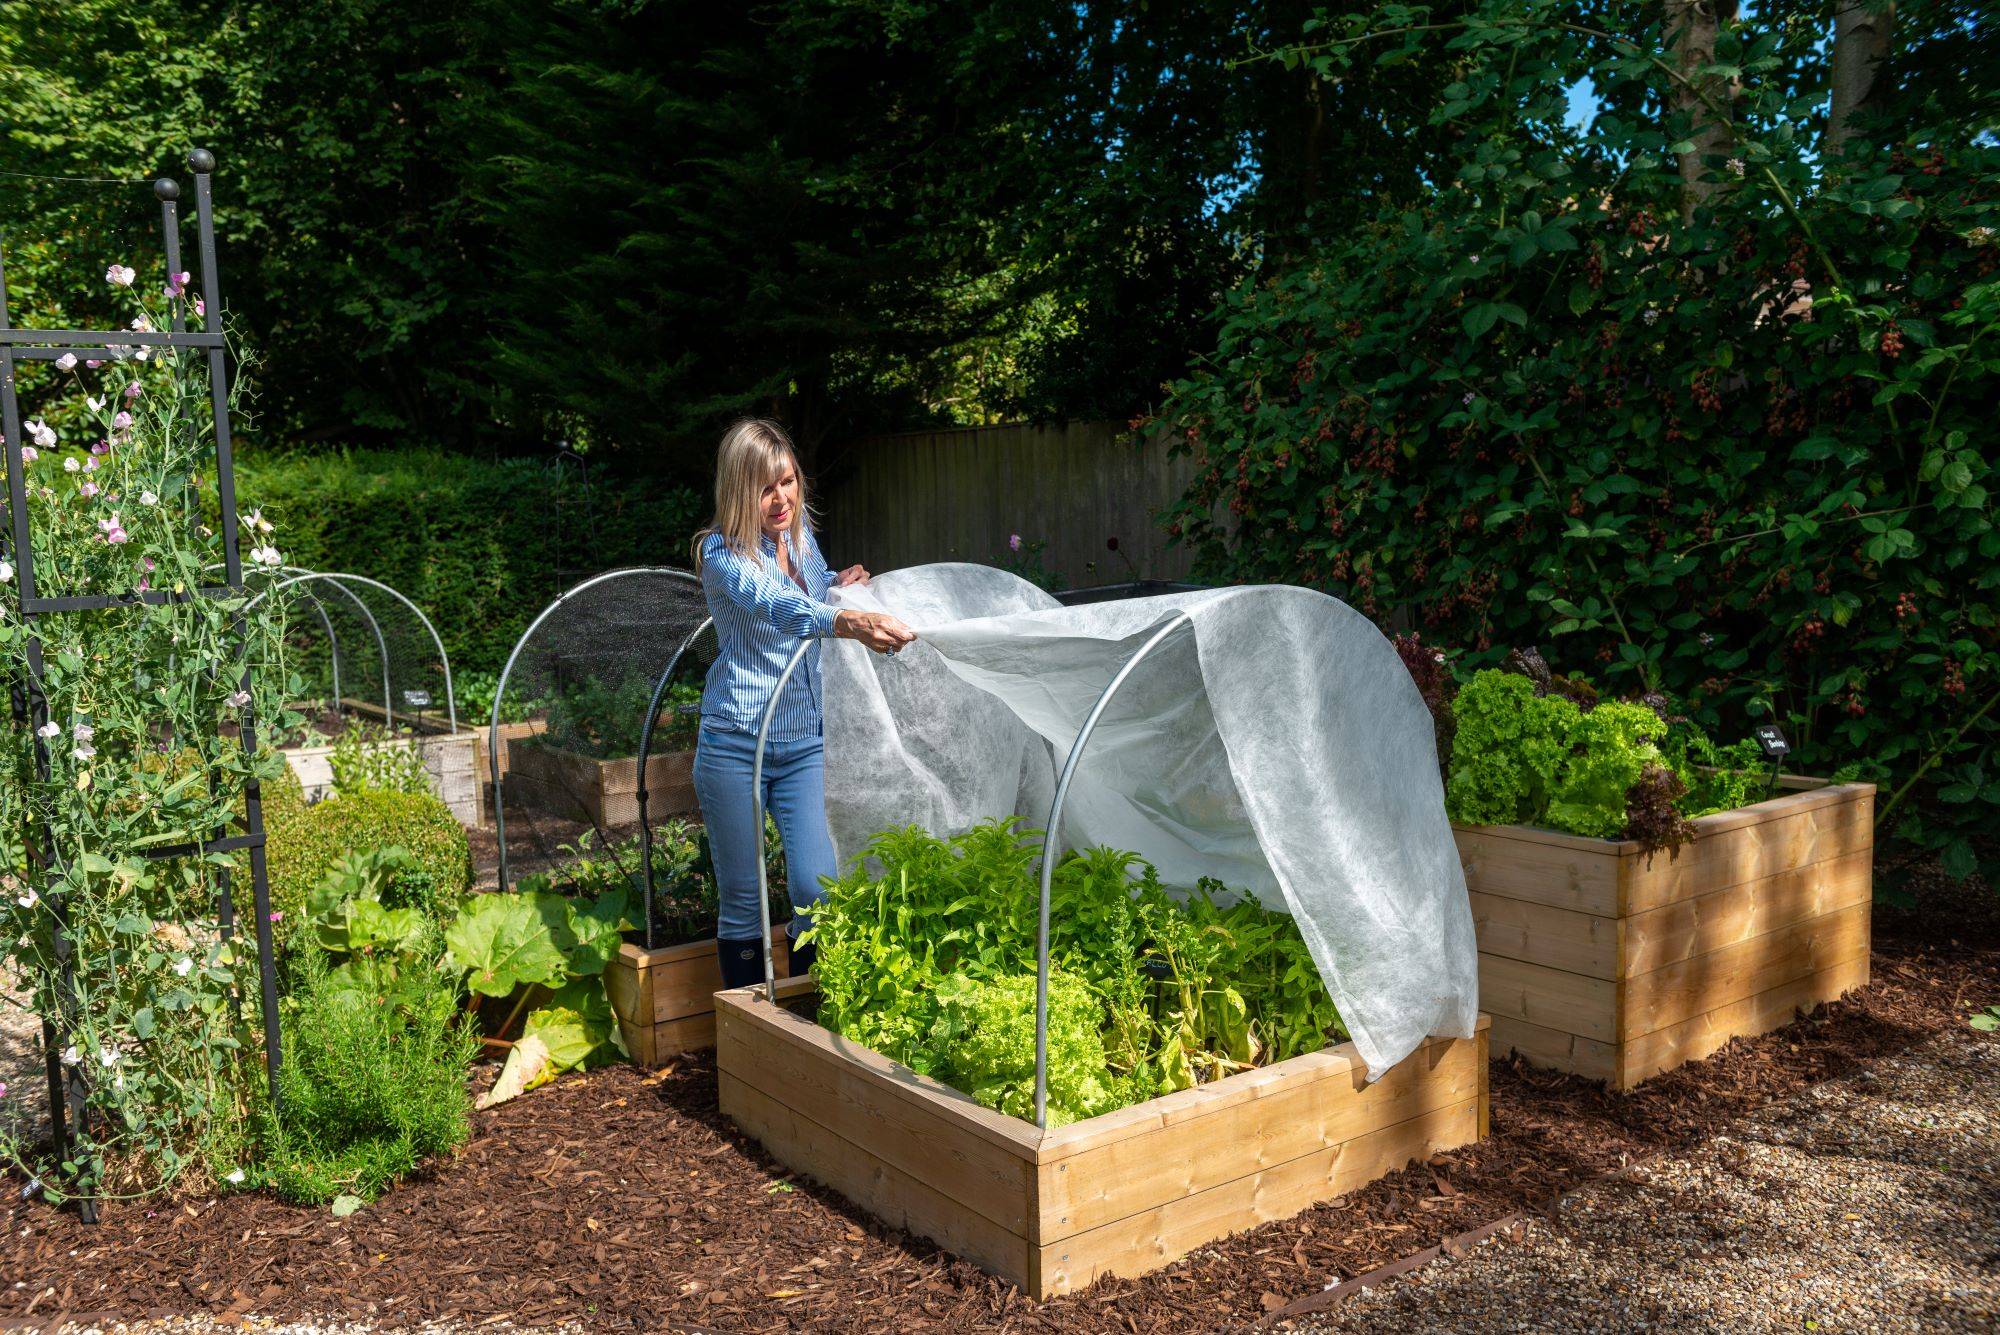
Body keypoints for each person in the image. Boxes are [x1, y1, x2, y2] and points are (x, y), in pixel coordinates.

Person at [690, 418, 916, 988]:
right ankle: (746, 1036)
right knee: (745, 902)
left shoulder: (799, 537)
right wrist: (849, 620)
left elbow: (812, 597)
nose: (781, 498)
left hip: (803, 740)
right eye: (765, 488)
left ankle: (809, 1026)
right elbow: (782, 609)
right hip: (736, 742)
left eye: (788, 481)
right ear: (739, 491)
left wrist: (843, 586)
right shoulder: (721, 552)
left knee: (818, 890)